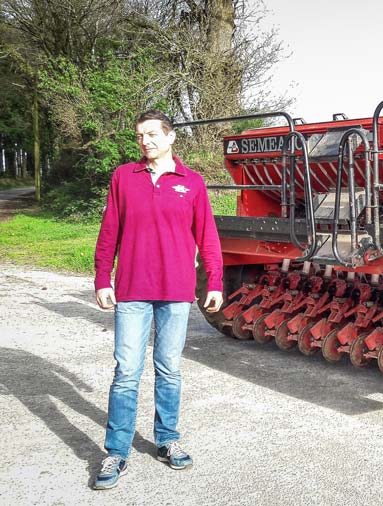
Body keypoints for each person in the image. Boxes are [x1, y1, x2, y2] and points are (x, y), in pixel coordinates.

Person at [92, 110, 224, 490]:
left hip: (176, 292)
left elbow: (208, 237)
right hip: (132, 289)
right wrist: (103, 277)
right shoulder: (124, 178)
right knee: (126, 373)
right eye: (139, 136)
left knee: (169, 370)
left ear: (170, 137)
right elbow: (109, 231)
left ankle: (167, 439)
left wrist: (213, 281)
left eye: (151, 134)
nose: (145, 141)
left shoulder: (193, 183)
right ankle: (116, 451)